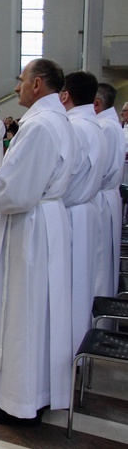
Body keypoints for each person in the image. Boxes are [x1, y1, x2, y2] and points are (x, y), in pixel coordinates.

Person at [0, 58, 75, 426]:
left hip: (31, 226)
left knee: (23, 311)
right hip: (46, 221)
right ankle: (35, 392)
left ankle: (19, 402)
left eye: (20, 80)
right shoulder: (57, 120)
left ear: (37, 84)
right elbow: (34, 176)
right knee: (39, 310)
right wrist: (4, 176)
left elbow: (22, 190)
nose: (15, 87)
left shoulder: (40, 126)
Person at [60, 71, 106, 359]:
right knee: (79, 286)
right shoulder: (95, 125)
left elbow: (62, 176)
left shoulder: (74, 127)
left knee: (69, 293)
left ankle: (66, 355)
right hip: (85, 209)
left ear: (65, 95)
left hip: (71, 213)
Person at [94, 83, 125, 300]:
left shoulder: (104, 127)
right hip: (108, 196)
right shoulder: (112, 124)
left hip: (101, 198)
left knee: (100, 260)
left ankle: (100, 311)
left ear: (97, 104)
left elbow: (97, 170)